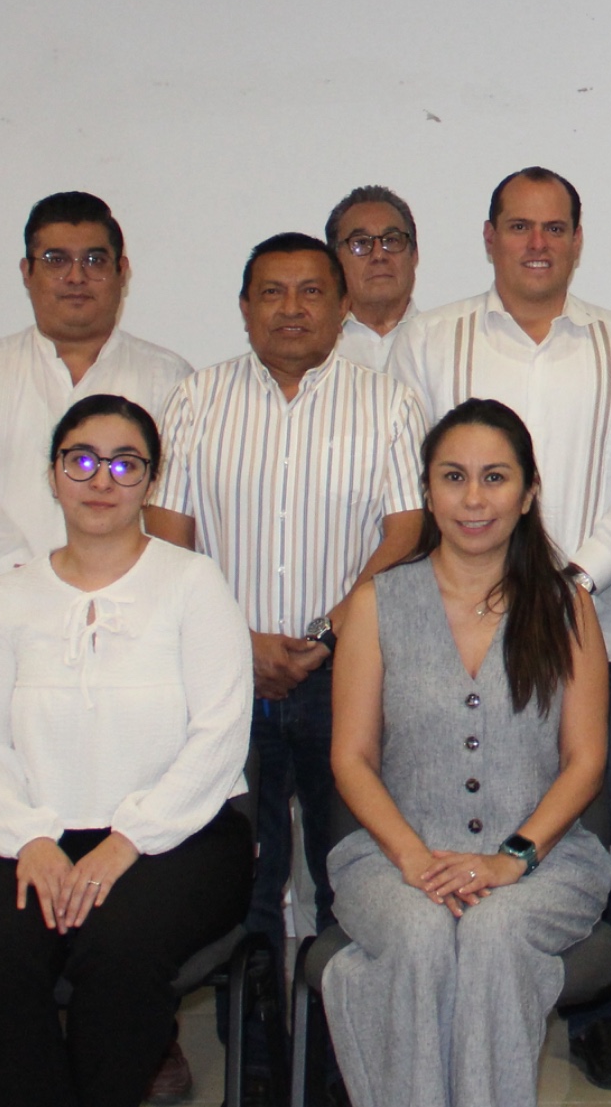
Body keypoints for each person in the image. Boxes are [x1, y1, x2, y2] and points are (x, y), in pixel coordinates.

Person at [0, 190, 194, 1102]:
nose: (76, 276)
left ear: (122, 270)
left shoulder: (170, 377)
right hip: (4, 660)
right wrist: (46, 588)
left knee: (130, 909)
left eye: (94, 258)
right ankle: (15, 1062)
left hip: (142, 675)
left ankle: (140, 1044)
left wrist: (109, 584)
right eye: (55, 258)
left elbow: (180, 508)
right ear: (27, 271)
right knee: (10, 892)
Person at [384, 167, 611, 1089]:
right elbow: (410, 473)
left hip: (585, 623)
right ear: (490, 235)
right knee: (434, 799)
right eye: (519, 226)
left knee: (587, 818)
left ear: (577, 238)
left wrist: (565, 584)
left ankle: (588, 1017)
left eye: (555, 227)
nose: (538, 243)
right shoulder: (430, 340)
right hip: (444, 627)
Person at [143, 231, 426, 1082]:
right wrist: (238, 639)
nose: (292, 308)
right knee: (245, 875)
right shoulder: (195, 399)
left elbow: (406, 531)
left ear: (341, 306)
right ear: (244, 307)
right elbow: (166, 533)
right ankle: (259, 1062)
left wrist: (331, 631)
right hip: (221, 677)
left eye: (311, 291)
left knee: (352, 872)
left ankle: (345, 1062)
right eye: (272, 291)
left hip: (346, 675)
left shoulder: (387, 401)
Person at [0, 395, 255, 1107]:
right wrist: (30, 836)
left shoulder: (193, 582)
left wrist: (127, 840)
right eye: (81, 459)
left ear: (151, 480)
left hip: (178, 835)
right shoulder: (12, 594)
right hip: (29, 832)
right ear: (53, 474)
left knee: (119, 948)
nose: (101, 479)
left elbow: (219, 733)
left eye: (125, 463)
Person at [321, 399, 611, 1107]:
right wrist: (414, 859)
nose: (474, 499)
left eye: (495, 477)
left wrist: (510, 859)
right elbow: (351, 758)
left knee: (494, 932)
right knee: (419, 933)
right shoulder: (376, 603)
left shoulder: (567, 605)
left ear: (529, 492)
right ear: (427, 492)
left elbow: (585, 762)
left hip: (544, 860)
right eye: (454, 477)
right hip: (393, 856)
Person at [328, 185, 421, 370]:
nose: (379, 255)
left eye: (392, 240)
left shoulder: (443, 342)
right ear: (335, 261)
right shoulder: (316, 353)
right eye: (361, 243)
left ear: (414, 255)